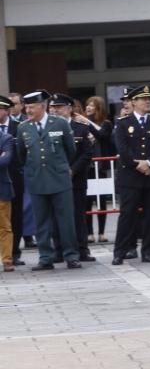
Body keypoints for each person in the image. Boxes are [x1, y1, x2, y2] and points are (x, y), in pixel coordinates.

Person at [16, 90, 82, 270]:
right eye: (27, 107)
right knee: (41, 222)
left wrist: (60, 167)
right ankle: (45, 257)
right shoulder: (23, 127)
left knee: (66, 220)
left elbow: (71, 150)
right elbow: (21, 155)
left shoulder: (59, 123)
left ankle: (71, 256)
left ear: (43, 106)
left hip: (59, 180)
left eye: (32, 107)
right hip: (37, 180)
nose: (28, 111)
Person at [111, 86, 150, 264]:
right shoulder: (123, 122)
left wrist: (149, 163)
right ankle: (120, 251)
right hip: (130, 176)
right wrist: (139, 164)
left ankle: (148, 250)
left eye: (149, 99)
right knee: (127, 215)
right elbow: (122, 149)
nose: (148, 102)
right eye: (143, 99)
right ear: (133, 102)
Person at [48, 94, 96, 263]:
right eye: (53, 107)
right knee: (56, 215)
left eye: (59, 107)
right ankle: (59, 249)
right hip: (55, 179)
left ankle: (82, 249)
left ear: (69, 108)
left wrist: (73, 170)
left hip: (76, 179)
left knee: (78, 215)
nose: (55, 110)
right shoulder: (48, 128)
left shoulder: (80, 128)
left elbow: (88, 153)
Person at [74, 96, 114, 244]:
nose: (89, 108)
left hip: (101, 167)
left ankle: (102, 232)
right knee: (87, 201)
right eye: (87, 105)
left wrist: (88, 123)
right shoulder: (82, 124)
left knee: (101, 201)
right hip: (88, 167)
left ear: (99, 108)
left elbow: (102, 136)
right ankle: (89, 233)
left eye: (92, 105)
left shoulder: (106, 124)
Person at [0, 96, 24, 266]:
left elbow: (16, 155)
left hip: (14, 177)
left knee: (15, 217)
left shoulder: (19, 127)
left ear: (7, 110)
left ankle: (13, 252)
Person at [0, 121, 13, 272]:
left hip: (1, 188)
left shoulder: (5, 138)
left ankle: (7, 260)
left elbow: (5, 160)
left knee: (4, 227)